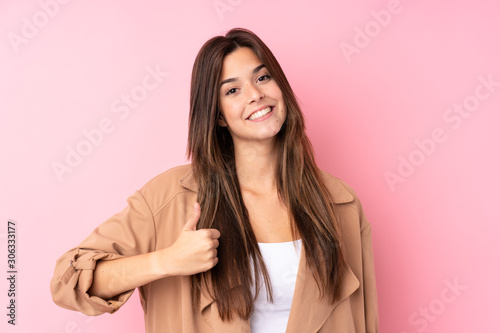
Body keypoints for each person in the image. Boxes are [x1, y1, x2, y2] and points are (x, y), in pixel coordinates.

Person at [50, 27, 379, 332]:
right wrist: (167, 260)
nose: (254, 94)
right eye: (233, 90)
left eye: (263, 77)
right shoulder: (169, 197)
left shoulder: (340, 204)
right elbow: (68, 282)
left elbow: (363, 320)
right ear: (218, 115)